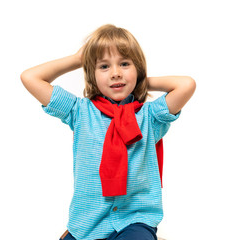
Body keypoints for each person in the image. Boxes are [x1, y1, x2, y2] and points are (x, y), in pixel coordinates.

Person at [21, 24, 196, 240]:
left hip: (135, 220)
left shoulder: (150, 116)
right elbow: (30, 78)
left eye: (124, 64)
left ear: (138, 68)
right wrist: (78, 58)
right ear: (92, 75)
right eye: (104, 66)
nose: (115, 73)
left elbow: (186, 85)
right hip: (88, 223)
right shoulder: (80, 111)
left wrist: (140, 82)